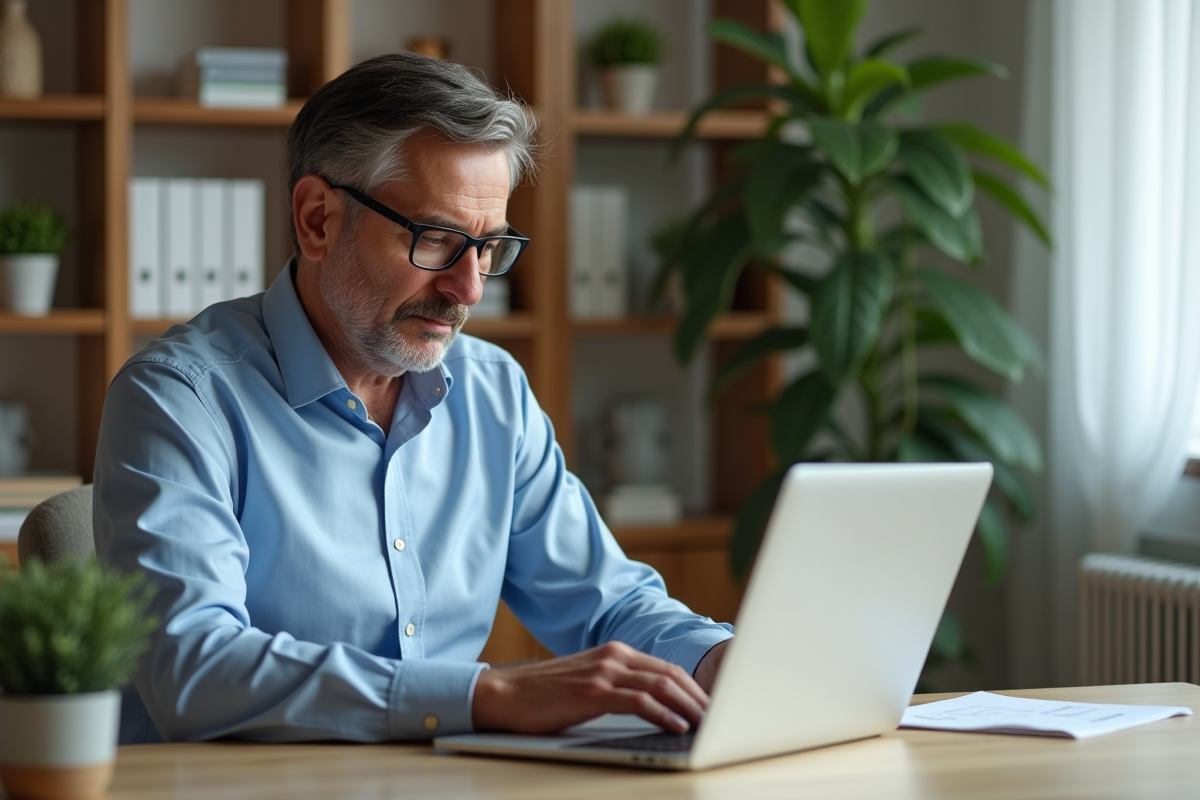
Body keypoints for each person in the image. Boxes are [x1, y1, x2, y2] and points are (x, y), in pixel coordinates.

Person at [94, 52, 733, 745]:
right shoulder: (180, 399)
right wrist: (485, 693)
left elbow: (611, 606)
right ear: (317, 218)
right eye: (436, 240)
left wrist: (724, 662)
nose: (470, 289)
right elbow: (194, 669)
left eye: (488, 248)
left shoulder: (494, 394)